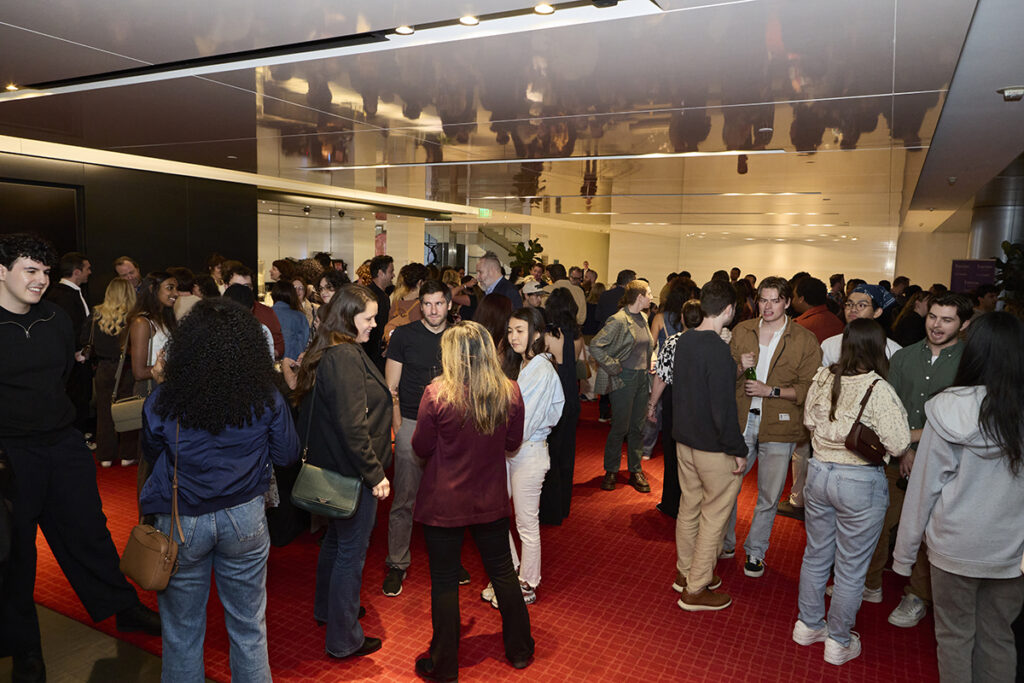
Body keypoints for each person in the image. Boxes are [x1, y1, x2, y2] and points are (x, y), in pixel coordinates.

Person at [0, 233, 160, 682]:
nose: (40, 280)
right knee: (16, 557)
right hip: (10, 455)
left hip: (63, 444)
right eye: (30, 270)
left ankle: (123, 608)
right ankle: (25, 648)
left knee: (90, 531)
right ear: (1, 271)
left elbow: (66, 378)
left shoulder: (54, 318)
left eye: (45, 272)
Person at [140, 297, 300, 682]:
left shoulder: (165, 399)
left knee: (182, 632)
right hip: (245, 516)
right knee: (249, 628)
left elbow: (152, 452)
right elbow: (288, 453)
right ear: (247, 345)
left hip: (182, 519)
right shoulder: (264, 397)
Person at [892, 312, 1024, 682]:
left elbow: (923, 488)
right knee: (999, 638)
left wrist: (903, 557)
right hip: (1012, 550)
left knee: (954, 637)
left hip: (955, 547)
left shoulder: (950, 407)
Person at [411, 321, 534, 680]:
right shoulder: (509, 391)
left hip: (444, 501)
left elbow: (420, 446)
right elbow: (512, 444)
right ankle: (520, 650)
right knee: (503, 574)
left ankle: (445, 665)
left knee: (445, 581)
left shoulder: (437, 394)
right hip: (489, 497)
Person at [794, 319, 910, 666]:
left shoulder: (825, 377)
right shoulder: (879, 388)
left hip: (818, 473)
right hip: (859, 480)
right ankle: (838, 641)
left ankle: (808, 625)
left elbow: (810, 422)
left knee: (816, 555)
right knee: (850, 567)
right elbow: (900, 443)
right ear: (879, 347)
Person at [293, 284, 392, 659]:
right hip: (353, 474)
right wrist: (375, 474)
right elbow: (354, 428)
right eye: (368, 317)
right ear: (349, 317)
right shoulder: (346, 356)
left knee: (335, 544)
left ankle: (330, 612)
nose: (374, 323)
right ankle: (343, 638)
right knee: (351, 552)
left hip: (334, 470)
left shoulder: (330, 350)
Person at [868, 293, 973, 627]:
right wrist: (904, 450)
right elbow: (890, 408)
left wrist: (917, 445)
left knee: (931, 534)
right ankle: (869, 583)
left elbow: (964, 421)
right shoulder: (905, 356)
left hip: (946, 466)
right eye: (933, 317)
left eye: (947, 320)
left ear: (964, 324)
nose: (936, 325)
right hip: (898, 460)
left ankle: (916, 595)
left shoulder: (971, 364)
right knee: (878, 523)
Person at [723, 276, 822, 577]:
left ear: (787, 302)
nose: (767, 306)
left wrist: (772, 391)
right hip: (741, 419)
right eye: (763, 300)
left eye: (774, 300)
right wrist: (739, 367)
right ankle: (725, 543)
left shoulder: (804, 339)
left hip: (779, 425)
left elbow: (808, 388)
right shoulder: (742, 331)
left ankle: (756, 550)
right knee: (728, 487)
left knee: (769, 495)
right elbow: (722, 377)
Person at [668, 280, 747, 611]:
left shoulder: (684, 340)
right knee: (714, 514)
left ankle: (687, 574)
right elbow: (723, 409)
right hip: (713, 447)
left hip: (684, 441)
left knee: (690, 507)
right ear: (728, 311)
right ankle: (696, 588)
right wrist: (738, 449)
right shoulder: (717, 350)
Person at [382, 281, 459, 598]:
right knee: (405, 499)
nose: (432, 310)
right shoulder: (404, 336)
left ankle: (450, 562)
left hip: (450, 426)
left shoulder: (459, 337)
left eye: (438, 304)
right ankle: (397, 563)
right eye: (427, 304)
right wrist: (399, 426)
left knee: (449, 500)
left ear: (449, 304)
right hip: (412, 423)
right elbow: (391, 388)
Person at [486, 307, 563, 607]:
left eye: (520, 330)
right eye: (510, 331)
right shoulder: (522, 365)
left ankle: (528, 583)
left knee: (526, 523)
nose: (513, 337)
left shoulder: (541, 369)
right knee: (496, 514)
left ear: (537, 333)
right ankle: (508, 573)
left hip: (528, 452)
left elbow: (524, 421)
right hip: (510, 451)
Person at [590, 279, 655, 493]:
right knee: (620, 427)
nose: (652, 297)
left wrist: (651, 360)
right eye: (649, 293)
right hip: (623, 378)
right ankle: (611, 470)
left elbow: (645, 347)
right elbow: (595, 345)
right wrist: (612, 366)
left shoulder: (644, 317)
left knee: (638, 427)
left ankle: (635, 469)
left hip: (642, 378)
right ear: (639, 297)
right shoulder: (618, 320)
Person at [648, 298, 708, 518]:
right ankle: (696, 503)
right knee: (698, 456)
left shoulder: (673, 342)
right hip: (702, 403)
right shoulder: (712, 342)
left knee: (674, 454)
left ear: (682, 318)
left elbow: (662, 377)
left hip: (677, 401)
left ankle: (673, 503)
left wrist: (652, 405)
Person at [539, 288, 584, 525]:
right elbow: (574, 362)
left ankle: (550, 511)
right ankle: (564, 506)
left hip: (554, 396)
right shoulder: (576, 334)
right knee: (567, 453)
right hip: (572, 397)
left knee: (550, 454)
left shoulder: (549, 334)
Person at [129, 271, 178, 476]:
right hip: (151, 391)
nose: (175, 293)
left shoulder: (166, 319)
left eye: (176, 288)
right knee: (150, 459)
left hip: (167, 391)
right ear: (153, 289)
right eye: (170, 288)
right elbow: (139, 371)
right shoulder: (142, 323)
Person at [85, 277, 138, 467]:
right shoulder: (134, 316)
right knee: (128, 412)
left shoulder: (95, 314)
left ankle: (105, 455)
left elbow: (84, 339)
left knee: (104, 413)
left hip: (103, 368)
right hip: (127, 369)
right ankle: (128, 454)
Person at [47, 252, 94, 437]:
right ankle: (77, 437)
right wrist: (77, 351)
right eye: (87, 269)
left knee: (82, 399)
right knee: (76, 400)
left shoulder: (70, 293)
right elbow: (67, 330)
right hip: (73, 361)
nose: (90, 272)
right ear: (77, 272)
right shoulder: (62, 296)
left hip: (78, 359)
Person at [223, 262, 284, 360]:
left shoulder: (266, 312)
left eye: (246, 286)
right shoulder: (214, 312)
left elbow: (279, 346)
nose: (241, 291)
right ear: (226, 286)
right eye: (236, 286)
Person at [364, 255, 394, 371]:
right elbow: (379, 328)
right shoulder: (372, 296)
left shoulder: (380, 295)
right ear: (381, 273)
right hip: (373, 356)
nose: (393, 275)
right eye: (391, 271)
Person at [270, 280, 310, 360]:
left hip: (270, 364)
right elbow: (303, 342)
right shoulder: (300, 317)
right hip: (292, 364)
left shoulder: (265, 314)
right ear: (292, 295)